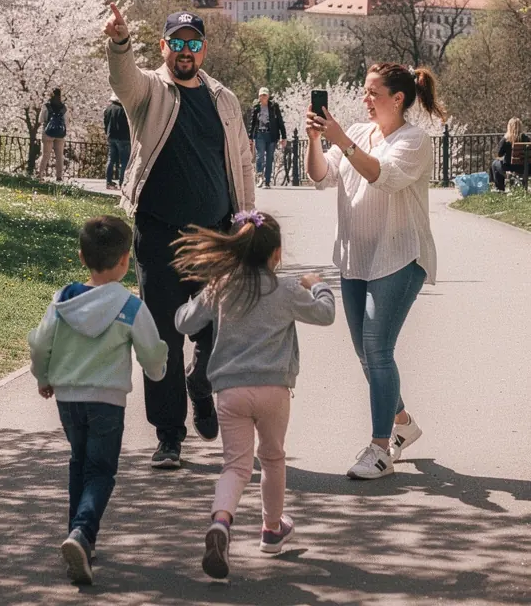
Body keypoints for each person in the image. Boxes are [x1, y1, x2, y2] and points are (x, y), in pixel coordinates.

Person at [104, 3, 255, 469]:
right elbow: (122, 81)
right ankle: (169, 435)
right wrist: (119, 42)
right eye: (177, 43)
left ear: (203, 48)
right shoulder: (151, 91)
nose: (186, 51)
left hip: (215, 237)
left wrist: (249, 218)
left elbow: (244, 161)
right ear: (165, 47)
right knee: (163, 339)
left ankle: (202, 383)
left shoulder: (223, 99)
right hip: (159, 233)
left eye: (194, 43)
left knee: (218, 330)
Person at [173, 210, 335, 580]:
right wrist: (316, 285)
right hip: (274, 389)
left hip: (230, 392)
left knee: (235, 467)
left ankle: (221, 523)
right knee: (273, 458)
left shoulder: (221, 287)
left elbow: (184, 322)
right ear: (276, 254)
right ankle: (271, 529)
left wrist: (201, 294)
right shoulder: (288, 289)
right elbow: (326, 314)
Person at [305, 62, 445, 480]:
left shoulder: (415, 141)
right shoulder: (359, 133)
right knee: (365, 353)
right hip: (355, 258)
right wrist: (316, 140)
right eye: (364, 91)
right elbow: (321, 175)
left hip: (399, 257)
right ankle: (402, 422)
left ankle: (380, 449)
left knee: (378, 349)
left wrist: (341, 140)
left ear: (397, 99)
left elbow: (380, 176)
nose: (364, 99)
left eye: (372, 92)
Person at [28, 216, 168, 586]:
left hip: (68, 399)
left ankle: (78, 536)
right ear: (126, 260)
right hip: (106, 399)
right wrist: (158, 372)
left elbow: (40, 342)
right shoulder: (129, 306)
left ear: (81, 256)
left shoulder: (63, 299)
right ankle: (82, 533)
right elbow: (151, 351)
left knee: (79, 462)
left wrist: (44, 376)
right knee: (101, 470)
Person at [248, 87, 287, 189]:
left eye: (265, 95)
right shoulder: (256, 107)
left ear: (268, 96)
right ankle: (260, 176)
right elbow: (252, 123)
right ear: (259, 96)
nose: (263, 97)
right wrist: (250, 137)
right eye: (261, 95)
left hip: (272, 135)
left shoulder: (274, 107)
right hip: (260, 134)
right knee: (260, 156)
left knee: (269, 158)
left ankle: (267, 181)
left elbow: (280, 121)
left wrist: (284, 137)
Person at [490, 117, 527, 192]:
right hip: (522, 167)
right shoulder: (525, 138)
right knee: (496, 163)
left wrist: (504, 138)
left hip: (508, 167)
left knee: (494, 164)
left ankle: (499, 188)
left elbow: (499, 154)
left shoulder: (506, 139)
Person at [38, 89, 68, 182]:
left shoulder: (46, 106)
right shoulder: (64, 107)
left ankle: (40, 175)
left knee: (45, 155)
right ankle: (59, 176)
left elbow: (41, 120)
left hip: (48, 132)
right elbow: (66, 121)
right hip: (60, 134)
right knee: (59, 156)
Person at [103, 94, 131, 190]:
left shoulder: (109, 109)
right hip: (123, 138)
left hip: (111, 136)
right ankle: (122, 182)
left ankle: (108, 181)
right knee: (124, 161)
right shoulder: (125, 109)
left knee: (111, 159)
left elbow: (105, 123)